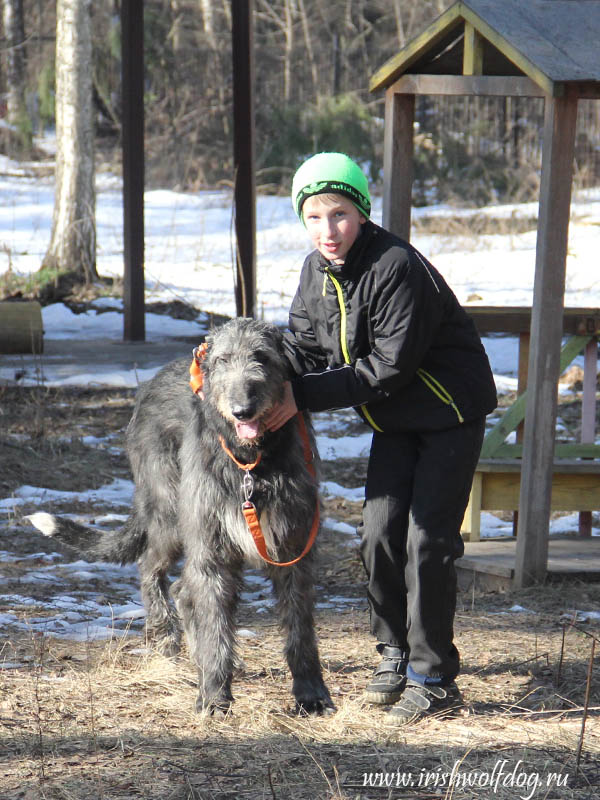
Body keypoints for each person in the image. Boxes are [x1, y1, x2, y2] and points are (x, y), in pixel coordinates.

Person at [265, 152, 497, 725]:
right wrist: (255, 364)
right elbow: (304, 347)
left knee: (426, 541)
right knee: (377, 536)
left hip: (448, 413)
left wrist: (302, 397)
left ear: (362, 212)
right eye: (314, 217)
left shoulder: (395, 265)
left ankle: (435, 676)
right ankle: (394, 651)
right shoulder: (314, 272)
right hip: (395, 419)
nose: (328, 230)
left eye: (339, 214)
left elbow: (388, 367)